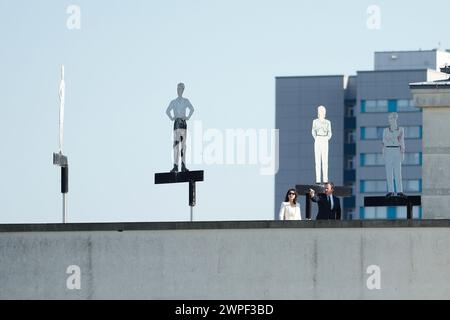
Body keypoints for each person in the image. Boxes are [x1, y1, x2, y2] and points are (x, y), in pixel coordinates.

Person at [166, 83, 195, 173]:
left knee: (183, 146)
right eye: (178, 89)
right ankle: (175, 166)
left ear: (183, 90)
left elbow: (192, 109)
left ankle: (183, 165)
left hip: (182, 123)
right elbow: (167, 111)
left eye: (180, 89)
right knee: (176, 146)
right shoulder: (173, 102)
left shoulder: (185, 101)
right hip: (177, 123)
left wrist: (187, 117)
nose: (179, 91)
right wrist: (172, 118)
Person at [382, 112, 405, 197]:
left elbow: (402, 141)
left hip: (396, 150)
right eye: (390, 119)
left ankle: (399, 190)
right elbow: (384, 142)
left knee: (398, 171)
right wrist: (383, 152)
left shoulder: (400, 129)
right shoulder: (385, 130)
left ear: (395, 119)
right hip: (388, 150)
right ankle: (390, 190)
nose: (391, 120)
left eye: (392, 118)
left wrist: (402, 153)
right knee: (389, 172)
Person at [312, 105, 332, 184]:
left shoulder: (327, 122)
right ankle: (318, 180)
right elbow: (313, 131)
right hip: (318, 139)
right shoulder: (315, 121)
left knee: (325, 160)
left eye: (323, 111)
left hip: (324, 139)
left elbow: (330, 132)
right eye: (320, 111)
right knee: (317, 160)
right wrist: (316, 138)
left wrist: (326, 138)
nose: (321, 112)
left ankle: (325, 179)